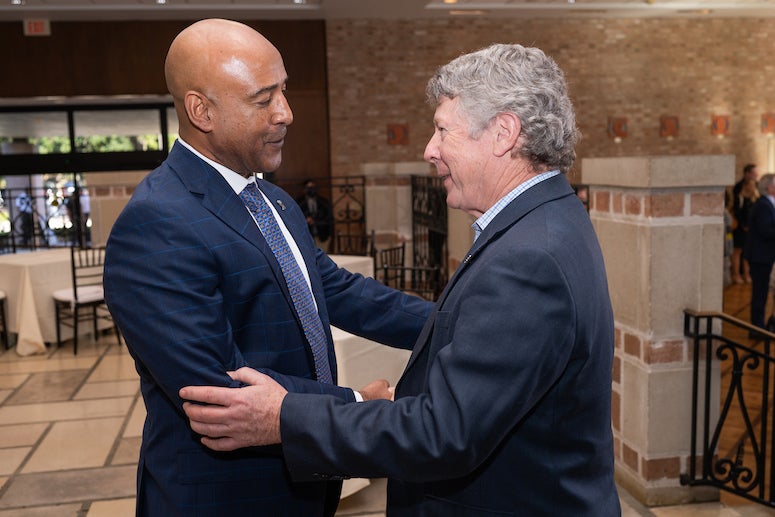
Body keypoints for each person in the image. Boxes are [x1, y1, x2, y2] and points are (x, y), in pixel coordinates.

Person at [180, 43, 620, 516]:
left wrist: (285, 416)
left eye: (442, 130)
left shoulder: (528, 258)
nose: (429, 150)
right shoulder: (547, 219)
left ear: (503, 133)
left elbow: (441, 434)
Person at [102, 19, 431, 517]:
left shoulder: (272, 201)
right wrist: (357, 405)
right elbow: (219, 390)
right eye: (263, 100)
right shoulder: (156, 222)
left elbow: (337, 290)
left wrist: (454, 321)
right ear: (201, 111)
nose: (286, 113)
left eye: (284, 92)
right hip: (228, 497)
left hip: (303, 482)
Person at [743, 173, 775, 333]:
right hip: (759, 256)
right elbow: (766, 231)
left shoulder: (768, 203)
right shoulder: (763, 205)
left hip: (764, 255)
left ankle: (759, 326)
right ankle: (757, 328)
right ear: (770, 188)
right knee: (759, 294)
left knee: (762, 293)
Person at [732, 163, 759, 283]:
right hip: (740, 226)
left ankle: (747, 274)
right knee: (738, 251)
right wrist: (743, 225)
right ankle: (736, 274)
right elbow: (736, 210)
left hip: (751, 227)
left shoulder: (756, 194)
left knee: (748, 251)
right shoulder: (738, 190)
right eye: (754, 173)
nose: (756, 175)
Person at [296, 179, 333, 251]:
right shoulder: (299, 202)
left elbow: (328, 216)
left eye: (313, 187)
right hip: (306, 236)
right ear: (304, 189)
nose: (311, 190)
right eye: (308, 188)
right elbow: (296, 216)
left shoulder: (323, 201)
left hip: (322, 234)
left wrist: (316, 220)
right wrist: (306, 220)